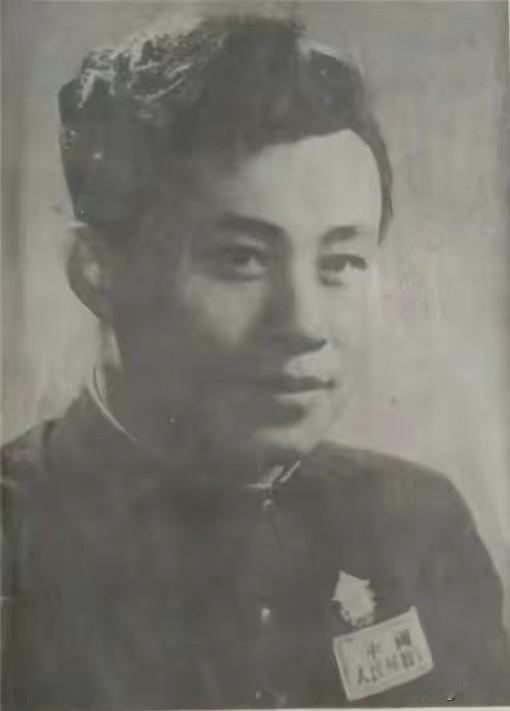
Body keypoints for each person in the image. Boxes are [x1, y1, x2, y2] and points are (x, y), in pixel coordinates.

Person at [2, 12, 509, 710]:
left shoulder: (421, 525)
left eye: (341, 261)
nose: (303, 324)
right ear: (98, 272)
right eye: (241, 258)